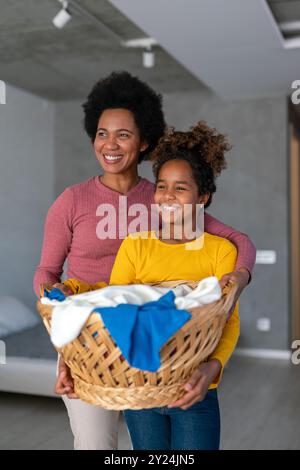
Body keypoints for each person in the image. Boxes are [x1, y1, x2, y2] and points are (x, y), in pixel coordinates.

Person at [33, 72, 255, 450]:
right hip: (92, 340)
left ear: (145, 141)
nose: (110, 144)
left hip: (156, 339)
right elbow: (48, 273)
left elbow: (237, 240)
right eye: (102, 133)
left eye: (123, 134)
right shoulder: (72, 201)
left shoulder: (164, 196)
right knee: (95, 445)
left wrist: (237, 282)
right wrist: (66, 344)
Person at [109, 121, 240, 450]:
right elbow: (114, 308)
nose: (168, 195)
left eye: (181, 188)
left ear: (203, 196)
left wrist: (213, 369)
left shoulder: (220, 251)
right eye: (162, 186)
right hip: (140, 389)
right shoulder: (135, 246)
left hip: (195, 389)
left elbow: (227, 319)